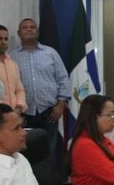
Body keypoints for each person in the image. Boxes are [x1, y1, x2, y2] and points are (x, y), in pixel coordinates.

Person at [10, 18, 70, 167]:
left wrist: (61, 105)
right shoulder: (11, 56)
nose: (29, 29)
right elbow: (10, 86)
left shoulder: (51, 53)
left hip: (49, 112)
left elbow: (63, 79)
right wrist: (16, 112)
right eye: (25, 27)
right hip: (24, 113)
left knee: (49, 150)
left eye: (32, 27)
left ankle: (49, 180)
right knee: (25, 151)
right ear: (19, 33)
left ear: (37, 31)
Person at [0, 24, 27, 114]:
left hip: (15, 113)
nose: (3, 42)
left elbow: (19, 90)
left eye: (6, 39)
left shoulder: (12, 64)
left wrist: (18, 108)